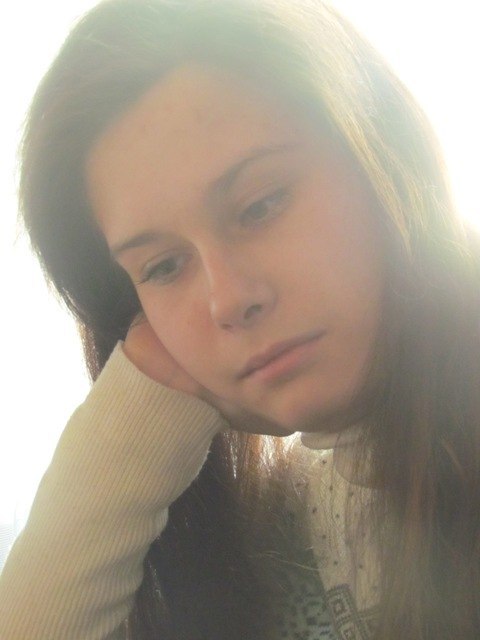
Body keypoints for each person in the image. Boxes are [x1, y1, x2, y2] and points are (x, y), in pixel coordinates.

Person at [1, 0, 479, 638]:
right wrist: (143, 412)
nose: (227, 299)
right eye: (164, 266)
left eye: (262, 204)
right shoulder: (277, 529)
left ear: (382, 156)